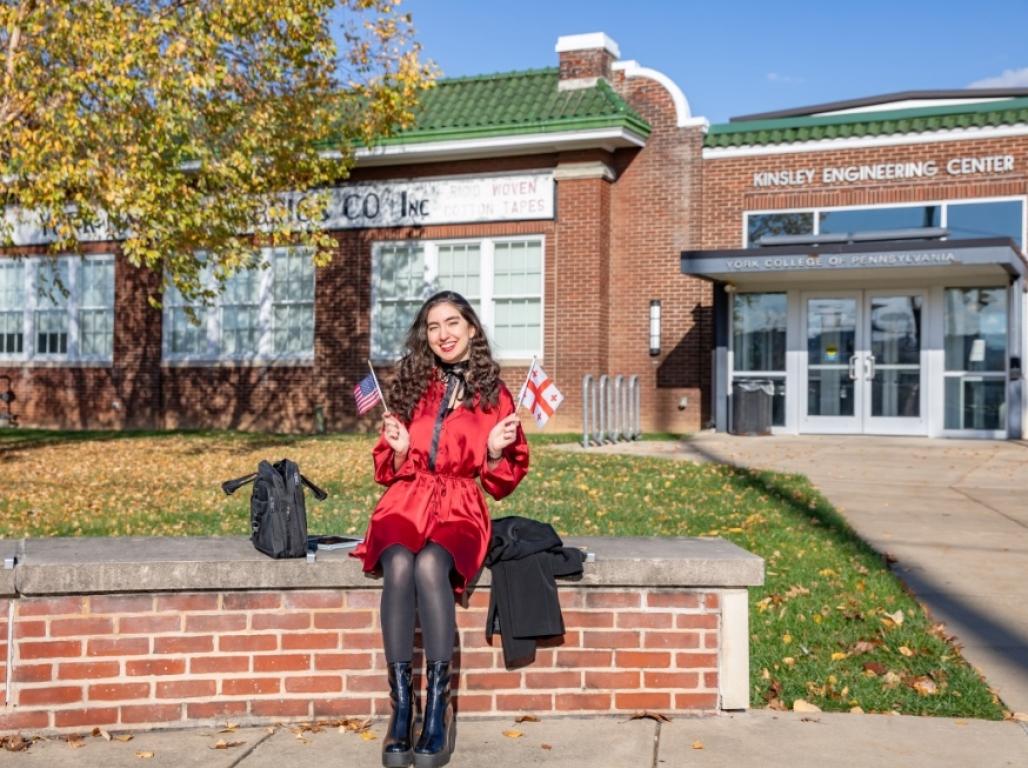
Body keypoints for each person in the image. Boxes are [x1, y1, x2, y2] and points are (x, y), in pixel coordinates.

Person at [352, 290, 529, 768]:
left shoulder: (497, 396)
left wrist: (492, 451)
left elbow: (502, 482)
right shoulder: (414, 386)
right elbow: (386, 470)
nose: (443, 334)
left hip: (459, 503)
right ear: (424, 336)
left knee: (431, 563)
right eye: (433, 327)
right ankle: (401, 707)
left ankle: (437, 709)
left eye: (452, 323)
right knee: (398, 560)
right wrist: (396, 446)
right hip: (407, 496)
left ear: (472, 328)